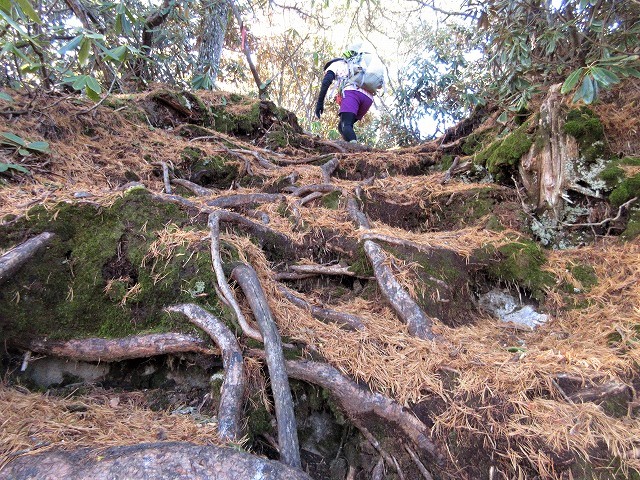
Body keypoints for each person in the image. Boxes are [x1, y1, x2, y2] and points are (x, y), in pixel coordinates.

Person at [314, 43, 380, 143]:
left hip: (353, 93)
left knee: (346, 125)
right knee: (342, 126)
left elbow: (326, 82)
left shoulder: (335, 65)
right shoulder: (356, 65)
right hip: (368, 98)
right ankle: (349, 147)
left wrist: (319, 104)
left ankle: (356, 152)